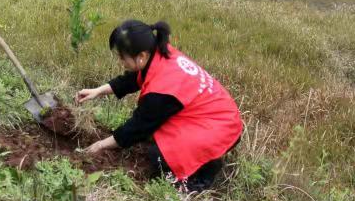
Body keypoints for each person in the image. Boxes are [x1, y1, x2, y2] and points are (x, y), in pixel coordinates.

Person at [76, 20, 243, 191]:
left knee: (159, 157)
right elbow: (134, 78)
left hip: (221, 127)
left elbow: (138, 127)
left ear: (141, 56)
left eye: (122, 57)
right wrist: (97, 91)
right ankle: (203, 153)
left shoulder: (161, 91)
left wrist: (101, 145)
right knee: (157, 134)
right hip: (213, 116)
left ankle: (205, 171)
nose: (120, 61)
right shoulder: (159, 54)